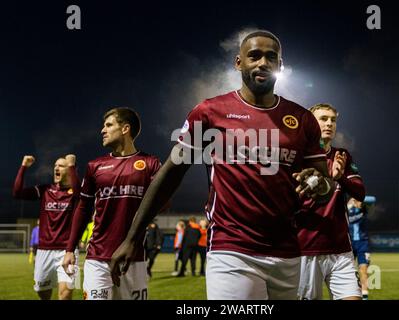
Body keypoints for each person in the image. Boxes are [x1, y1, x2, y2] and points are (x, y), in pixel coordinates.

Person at [111, 30, 335, 300]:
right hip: (231, 249)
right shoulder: (210, 112)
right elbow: (171, 173)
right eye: (254, 56)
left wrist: (318, 184)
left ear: (280, 65)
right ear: (238, 62)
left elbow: (325, 186)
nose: (262, 63)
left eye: (270, 57)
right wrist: (133, 236)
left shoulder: (301, 119)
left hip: (287, 251)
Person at [62, 107, 162, 300]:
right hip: (97, 258)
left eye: (109, 125)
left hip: (133, 258)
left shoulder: (150, 164)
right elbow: (83, 208)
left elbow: (162, 203)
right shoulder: (95, 166)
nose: (102, 130)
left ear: (125, 128)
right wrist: (69, 249)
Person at [296, 103, 365, 300]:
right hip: (306, 250)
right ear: (309, 124)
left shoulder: (341, 155)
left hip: (341, 250)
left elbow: (360, 193)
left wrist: (340, 177)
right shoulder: (297, 157)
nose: (329, 124)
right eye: (323, 119)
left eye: (333, 120)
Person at [13, 154, 80, 300]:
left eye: (61, 166)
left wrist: (72, 165)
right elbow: (17, 193)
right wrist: (23, 166)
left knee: (65, 294)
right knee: (43, 293)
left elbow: (79, 193)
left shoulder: (75, 191)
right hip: (44, 251)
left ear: (69, 170)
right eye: (55, 165)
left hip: (67, 250)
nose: (56, 168)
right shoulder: (45, 190)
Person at [348, 195, 376, 300]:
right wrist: (350, 204)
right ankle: (350, 293)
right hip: (349, 244)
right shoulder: (347, 209)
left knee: (363, 269)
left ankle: (365, 296)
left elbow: (373, 199)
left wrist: (358, 198)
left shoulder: (364, 209)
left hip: (363, 244)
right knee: (348, 270)